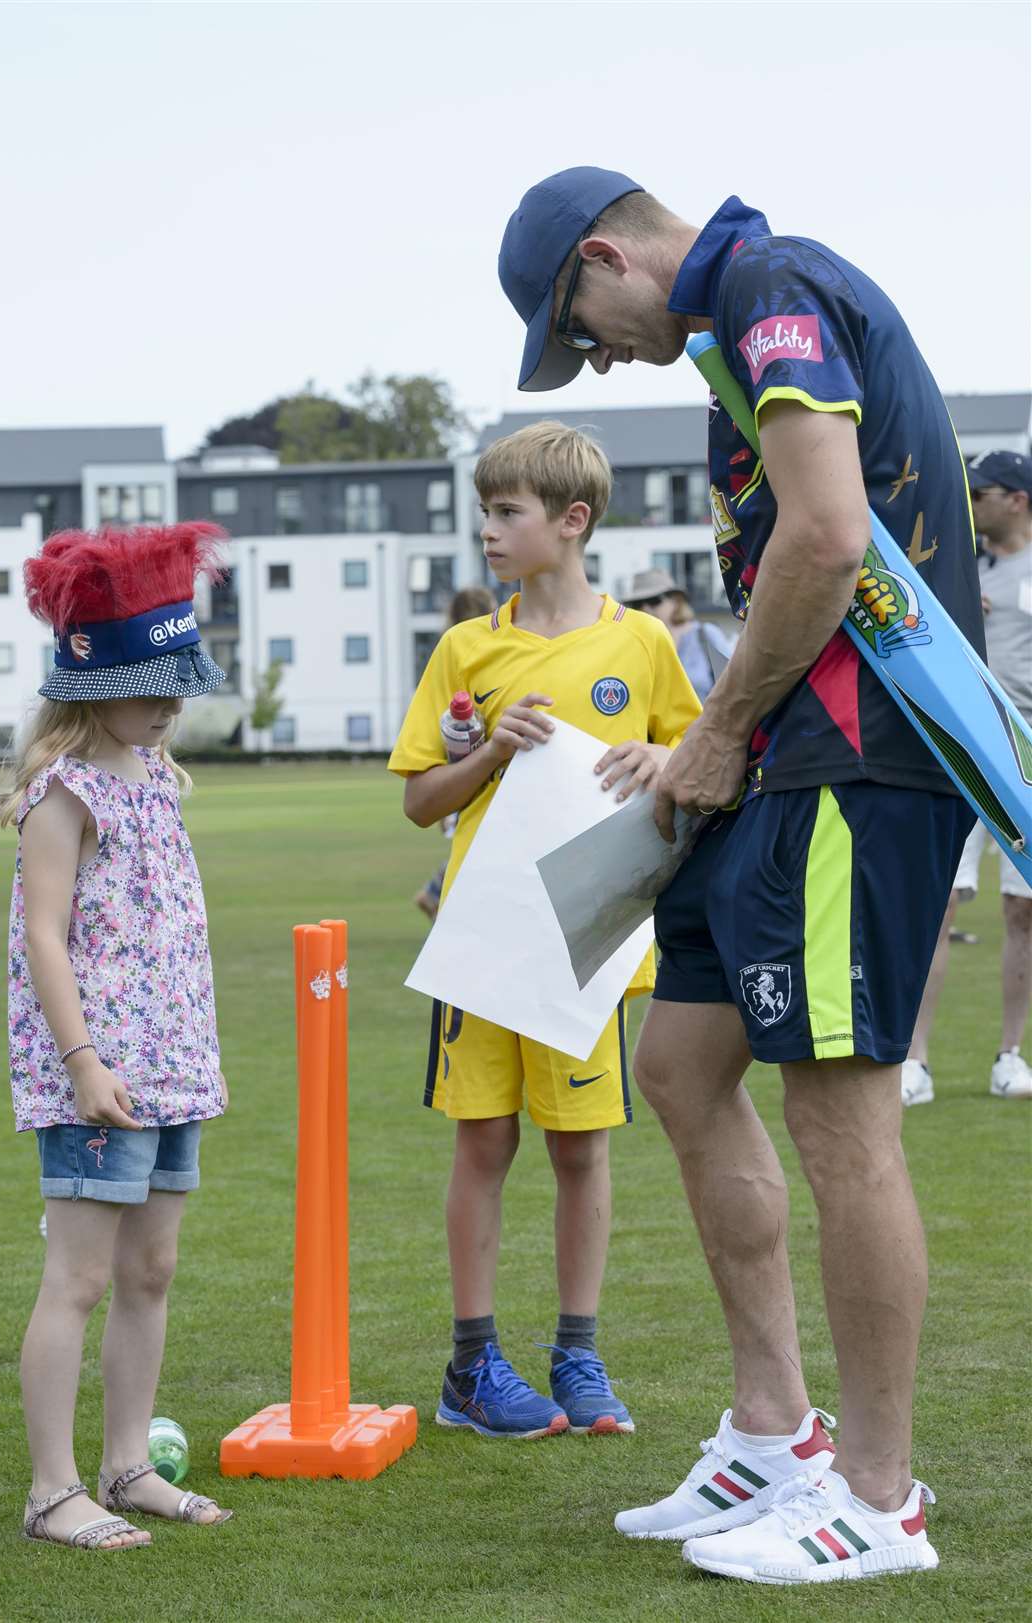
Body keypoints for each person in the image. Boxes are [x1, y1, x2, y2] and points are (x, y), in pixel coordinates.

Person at [498, 170, 983, 1581]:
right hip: (783, 763)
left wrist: (714, 728)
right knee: (680, 1064)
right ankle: (779, 1433)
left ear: (607, 255)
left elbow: (829, 538)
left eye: (575, 322)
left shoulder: (775, 289)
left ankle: (880, 1501)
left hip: (861, 763)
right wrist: (705, 752)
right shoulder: (733, 329)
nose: (591, 354)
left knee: (843, 1122)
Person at [389, 421, 700, 1439]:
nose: (486, 528)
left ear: (572, 522)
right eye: (483, 509)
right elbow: (421, 802)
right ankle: (472, 1367)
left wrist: (665, 763)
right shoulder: (466, 650)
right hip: (483, 944)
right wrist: (489, 755)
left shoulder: (642, 644)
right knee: (483, 1141)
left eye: (505, 511)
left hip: (588, 944)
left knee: (582, 1152)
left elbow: (699, 755)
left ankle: (579, 1355)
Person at [0, 523, 234, 1550]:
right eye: (156, 683)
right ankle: (53, 1492)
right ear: (93, 682)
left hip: (171, 1072)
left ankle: (127, 1461)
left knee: (150, 1273)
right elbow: (44, 936)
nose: (174, 701)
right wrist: (85, 1063)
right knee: (81, 1277)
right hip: (99, 1077)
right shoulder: (66, 793)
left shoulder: (153, 776)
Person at [902, 450, 1032, 1105]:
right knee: (939, 905)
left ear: (1018, 499)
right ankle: (914, 1061)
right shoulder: (956, 563)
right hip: (960, 754)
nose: (971, 502)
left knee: (1023, 909)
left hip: (1027, 765)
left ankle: (1010, 1055)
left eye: (982, 493)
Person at [413, 584, 497, 922]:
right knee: (482, 848)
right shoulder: (483, 652)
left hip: (460, 773)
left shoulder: (447, 657)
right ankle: (438, 897)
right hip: (487, 773)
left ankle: (436, 895)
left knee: (477, 846)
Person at [620, 569, 735, 699]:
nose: (645, 608)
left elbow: (734, 682)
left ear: (675, 601)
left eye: (654, 601)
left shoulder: (706, 634)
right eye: (637, 604)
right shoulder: (632, 644)